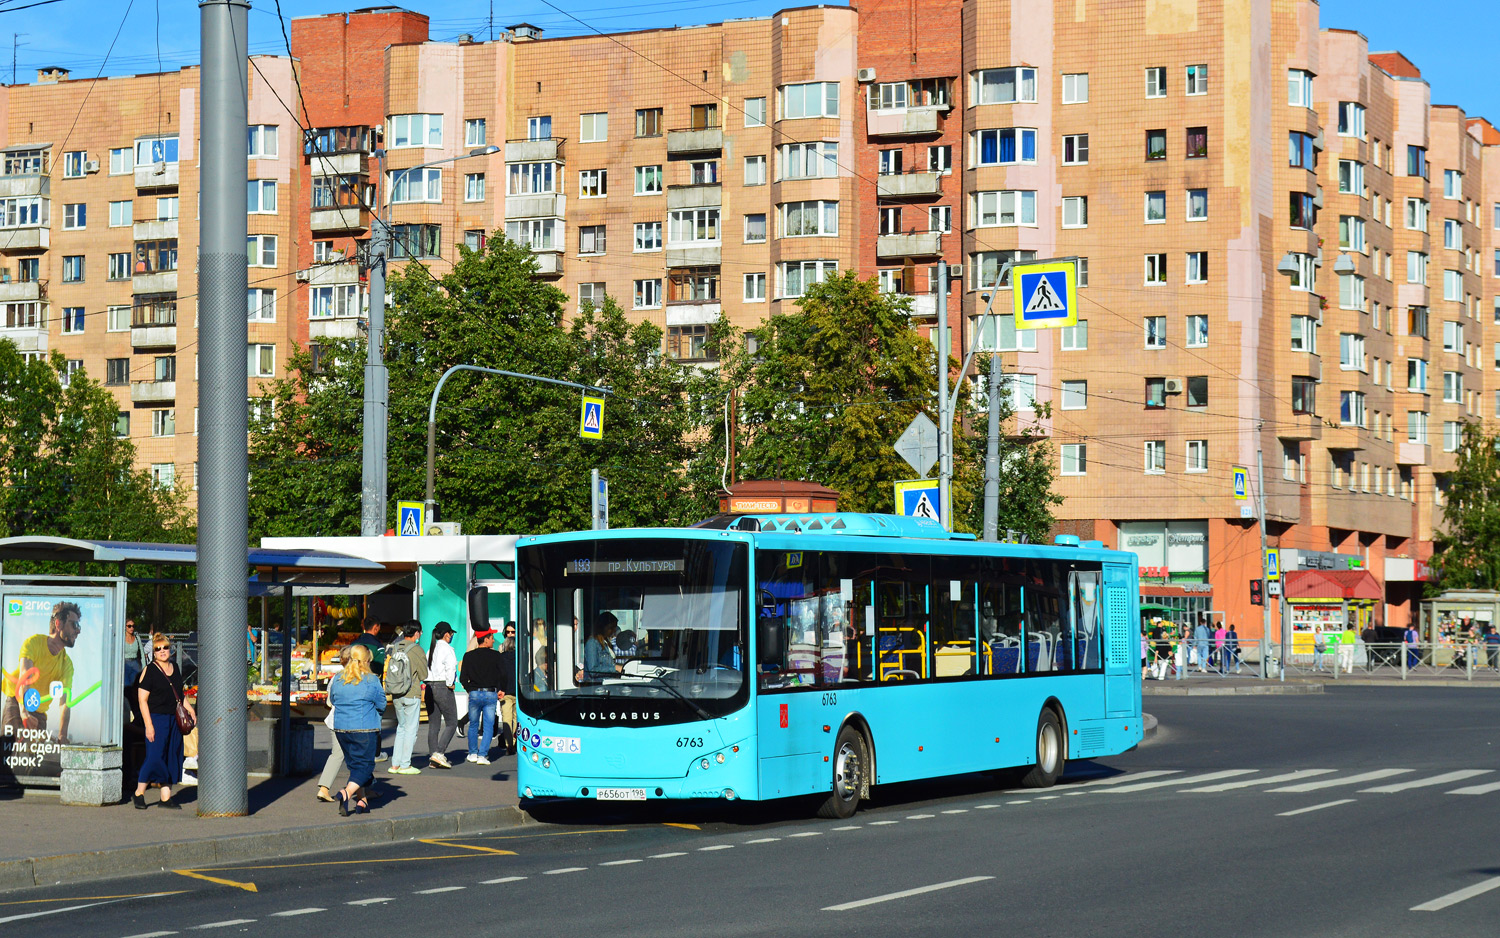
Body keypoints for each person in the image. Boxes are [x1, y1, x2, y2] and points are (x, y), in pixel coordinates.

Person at [2, 601, 81, 741]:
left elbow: (64, 703)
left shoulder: (67, 664)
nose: (78, 630)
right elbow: (25, 678)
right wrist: (24, 712)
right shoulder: (33, 643)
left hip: (39, 711)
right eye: (74, 625)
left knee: (37, 752)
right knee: (9, 747)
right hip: (17, 701)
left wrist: (62, 735)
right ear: (58, 624)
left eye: (79, 626)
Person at [133, 633, 195, 809]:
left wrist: (190, 710)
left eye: (165, 647)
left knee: (171, 756)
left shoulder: (175, 667)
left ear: (170, 649)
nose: (162, 651)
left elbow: (179, 695)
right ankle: (139, 793)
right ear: (153, 652)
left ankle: (165, 798)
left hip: (174, 719)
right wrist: (149, 725)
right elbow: (142, 700)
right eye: (158, 649)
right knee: (154, 757)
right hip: (156, 718)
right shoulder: (150, 670)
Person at [329, 643, 385, 815]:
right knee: (366, 767)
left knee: (354, 766)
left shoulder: (338, 679)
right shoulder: (371, 680)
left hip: (341, 728)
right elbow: (382, 704)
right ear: (366, 661)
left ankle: (362, 801)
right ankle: (346, 793)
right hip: (364, 728)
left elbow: (333, 700)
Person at [387, 621, 429, 775]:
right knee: (411, 729)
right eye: (420, 633)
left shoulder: (396, 647)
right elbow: (424, 675)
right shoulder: (417, 650)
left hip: (396, 692)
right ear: (416, 633)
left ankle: (395, 764)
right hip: (411, 693)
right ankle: (405, 764)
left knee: (401, 728)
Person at [316, 646, 355, 803]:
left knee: (337, 754)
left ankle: (324, 788)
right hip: (352, 722)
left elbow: (329, 702)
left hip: (335, 720)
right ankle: (365, 790)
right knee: (360, 756)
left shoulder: (335, 678)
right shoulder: (358, 678)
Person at [461, 628, 504, 765]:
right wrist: (500, 689)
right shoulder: (496, 655)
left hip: (474, 692)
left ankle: (473, 753)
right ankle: (482, 755)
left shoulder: (468, 656)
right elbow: (502, 675)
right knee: (488, 726)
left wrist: (469, 689)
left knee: (473, 724)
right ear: (485, 639)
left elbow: (463, 678)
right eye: (491, 637)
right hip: (490, 693)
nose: (493, 640)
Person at [425, 622, 459, 769]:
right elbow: (451, 667)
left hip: (429, 686)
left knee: (434, 724)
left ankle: (433, 755)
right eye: (451, 634)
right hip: (442, 686)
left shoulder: (430, 649)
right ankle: (439, 753)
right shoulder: (447, 649)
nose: (451, 636)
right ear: (446, 635)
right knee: (452, 722)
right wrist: (450, 683)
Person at [580, 612, 622, 682]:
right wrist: (615, 668)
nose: (614, 630)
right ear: (603, 627)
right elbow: (593, 670)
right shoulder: (592, 643)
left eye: (615, 628)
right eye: (611, 628)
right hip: (596, 685)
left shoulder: (606, 642)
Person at [495, 623, 518, 756]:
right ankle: (514, 742)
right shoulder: (520, 658)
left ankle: (509, 744)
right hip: (517, 692)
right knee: (516, 719)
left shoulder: (500, 658)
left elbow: (498, 675)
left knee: (506, 719)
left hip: (504, 692)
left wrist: (499, 689)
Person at [123, 619, 146, 686]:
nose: (131, 628)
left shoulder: (137, 638)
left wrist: (144, 668)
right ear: (125, 626)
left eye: (133, 626)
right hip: (125, 664)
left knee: (135, 684)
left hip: (135, 664)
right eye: (129, 626)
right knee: (126, 685)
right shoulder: (121, 638)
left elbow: (142, 653)